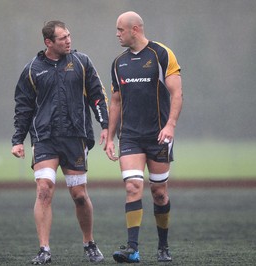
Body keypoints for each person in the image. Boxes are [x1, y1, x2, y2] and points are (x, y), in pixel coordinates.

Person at [11, 20, 108, 265]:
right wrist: (18, 140)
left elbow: (98, 96)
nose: (68, 40)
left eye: (69, 36)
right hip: (45, 138)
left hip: (75, 137)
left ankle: (89, 243)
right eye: (62, 37)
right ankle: (44, 249)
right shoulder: (32, 69)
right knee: (44, 189)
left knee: (78, 194)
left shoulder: (82, 63)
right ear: (48, 42)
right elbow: (23, 107)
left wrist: (105, 126)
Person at [105, 11, 183, 263]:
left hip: (158, 136)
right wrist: (108, 135)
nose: (117, 34)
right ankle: (132, 248)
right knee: (132, 186)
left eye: (120, 30)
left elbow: (177, 94)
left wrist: (170, 125)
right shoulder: (118, 63)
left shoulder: (161, 54)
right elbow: (115, 101)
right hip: (130, 137)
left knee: (159, 193)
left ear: (135, 29)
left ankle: (163, 247)